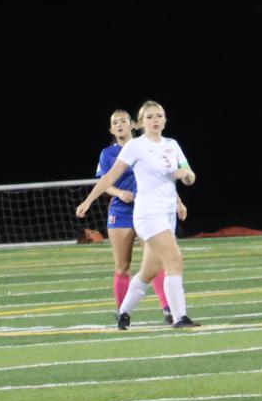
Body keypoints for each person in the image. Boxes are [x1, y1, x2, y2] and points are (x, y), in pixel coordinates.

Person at [75, 99, 200, 329]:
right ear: (141, 122)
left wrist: (185, 174)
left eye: (159, 115)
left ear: (165, 120)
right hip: (147, 213)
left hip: (166, 214)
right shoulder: (135, 146)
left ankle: (123, 313)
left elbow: (190, 176)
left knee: (149, 270)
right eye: (149, 117)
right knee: (174, 258)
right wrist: (88, 201)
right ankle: (179, 316)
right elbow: (110, 176)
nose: (155, 120)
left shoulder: (172, 144)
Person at [95, 108, 180, 325]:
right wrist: (117, 193)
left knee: (157, 261)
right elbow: (106, 181)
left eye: (123, 121)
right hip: (121, 213)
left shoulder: (146, 145)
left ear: (132, 124)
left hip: (148, 210)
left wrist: (177, 200)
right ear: (111, 129)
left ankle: (168, 309)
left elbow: (162, 177)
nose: (119, 125)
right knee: (123, 265)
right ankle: (122, 311)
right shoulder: (108, 154)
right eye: (115, 122)